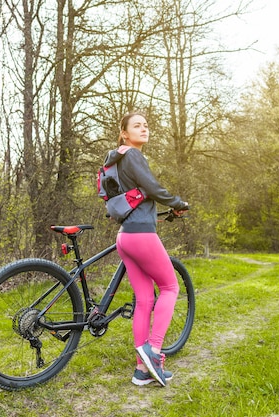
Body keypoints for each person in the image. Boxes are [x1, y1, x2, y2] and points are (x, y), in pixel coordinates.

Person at [103, 112, 189, 387]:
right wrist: (177, 201)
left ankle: (142, 371)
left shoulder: (117, 159)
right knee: (170, 287)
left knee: (144, 300)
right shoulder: (132, 156)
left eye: (146, 125)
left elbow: (137, 196)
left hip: (125, 237)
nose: (144, 129)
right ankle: (153, 351)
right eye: (137, 126)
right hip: (140, 234)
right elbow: (151, 188)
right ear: (124, 133)